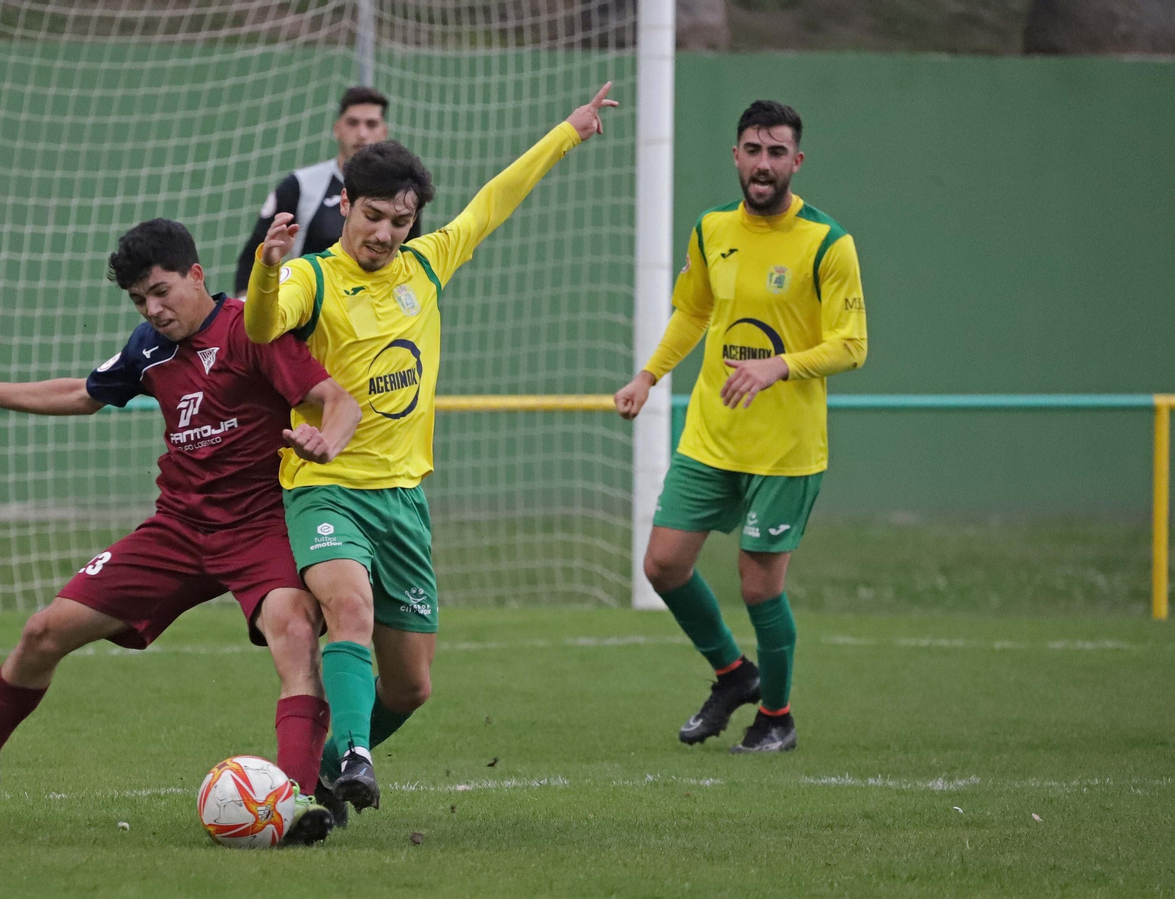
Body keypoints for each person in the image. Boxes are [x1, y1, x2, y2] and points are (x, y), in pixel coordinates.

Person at [0, 219, 361, 844]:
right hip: (178, 530)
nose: (153, 310)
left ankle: (296, 802)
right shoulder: (149, 347)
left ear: (197, 275)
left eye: (161, 292)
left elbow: (340, 400)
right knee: (42, 632)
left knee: (296, 633)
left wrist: (325, 442)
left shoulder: (252, 330)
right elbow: (81, 394)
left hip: (260, 527)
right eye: (140, 300)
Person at [242, 84, 619, 821]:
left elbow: (494, 200)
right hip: (325, 488)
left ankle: (330, 768)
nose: (385, 233)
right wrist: (265, 267)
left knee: (412, 686)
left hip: (403, 501)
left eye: (401, 221)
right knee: (349, 606)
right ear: (346, 204)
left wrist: (569, 131)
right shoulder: (308, 277)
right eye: (373, 215)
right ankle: (355, 753)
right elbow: (260, 328)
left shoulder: (425, 265)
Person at [613, 100, 868, 753]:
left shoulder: (827, 242)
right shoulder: (711, 229)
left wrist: (779, 365)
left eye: (776, 152)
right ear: (735, 155)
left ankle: (776, 716)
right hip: (712, 436)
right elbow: (692, 313)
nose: (763, 164)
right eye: (753, 150)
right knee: (663, 564)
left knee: (759, 587)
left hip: (785, 450)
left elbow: (852, 345)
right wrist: (648, 376)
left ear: (796, 161)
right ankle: (734, 675)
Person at [234, 86, 421, 298]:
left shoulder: (403, 194)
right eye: (353, 123)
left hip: (378, 310)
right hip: (310, 309)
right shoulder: (299, 185)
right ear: (337, 128)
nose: (362, 134)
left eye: (371, 124)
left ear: (383, 132)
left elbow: (410, 262)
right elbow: (256, 253)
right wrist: (246, 307)